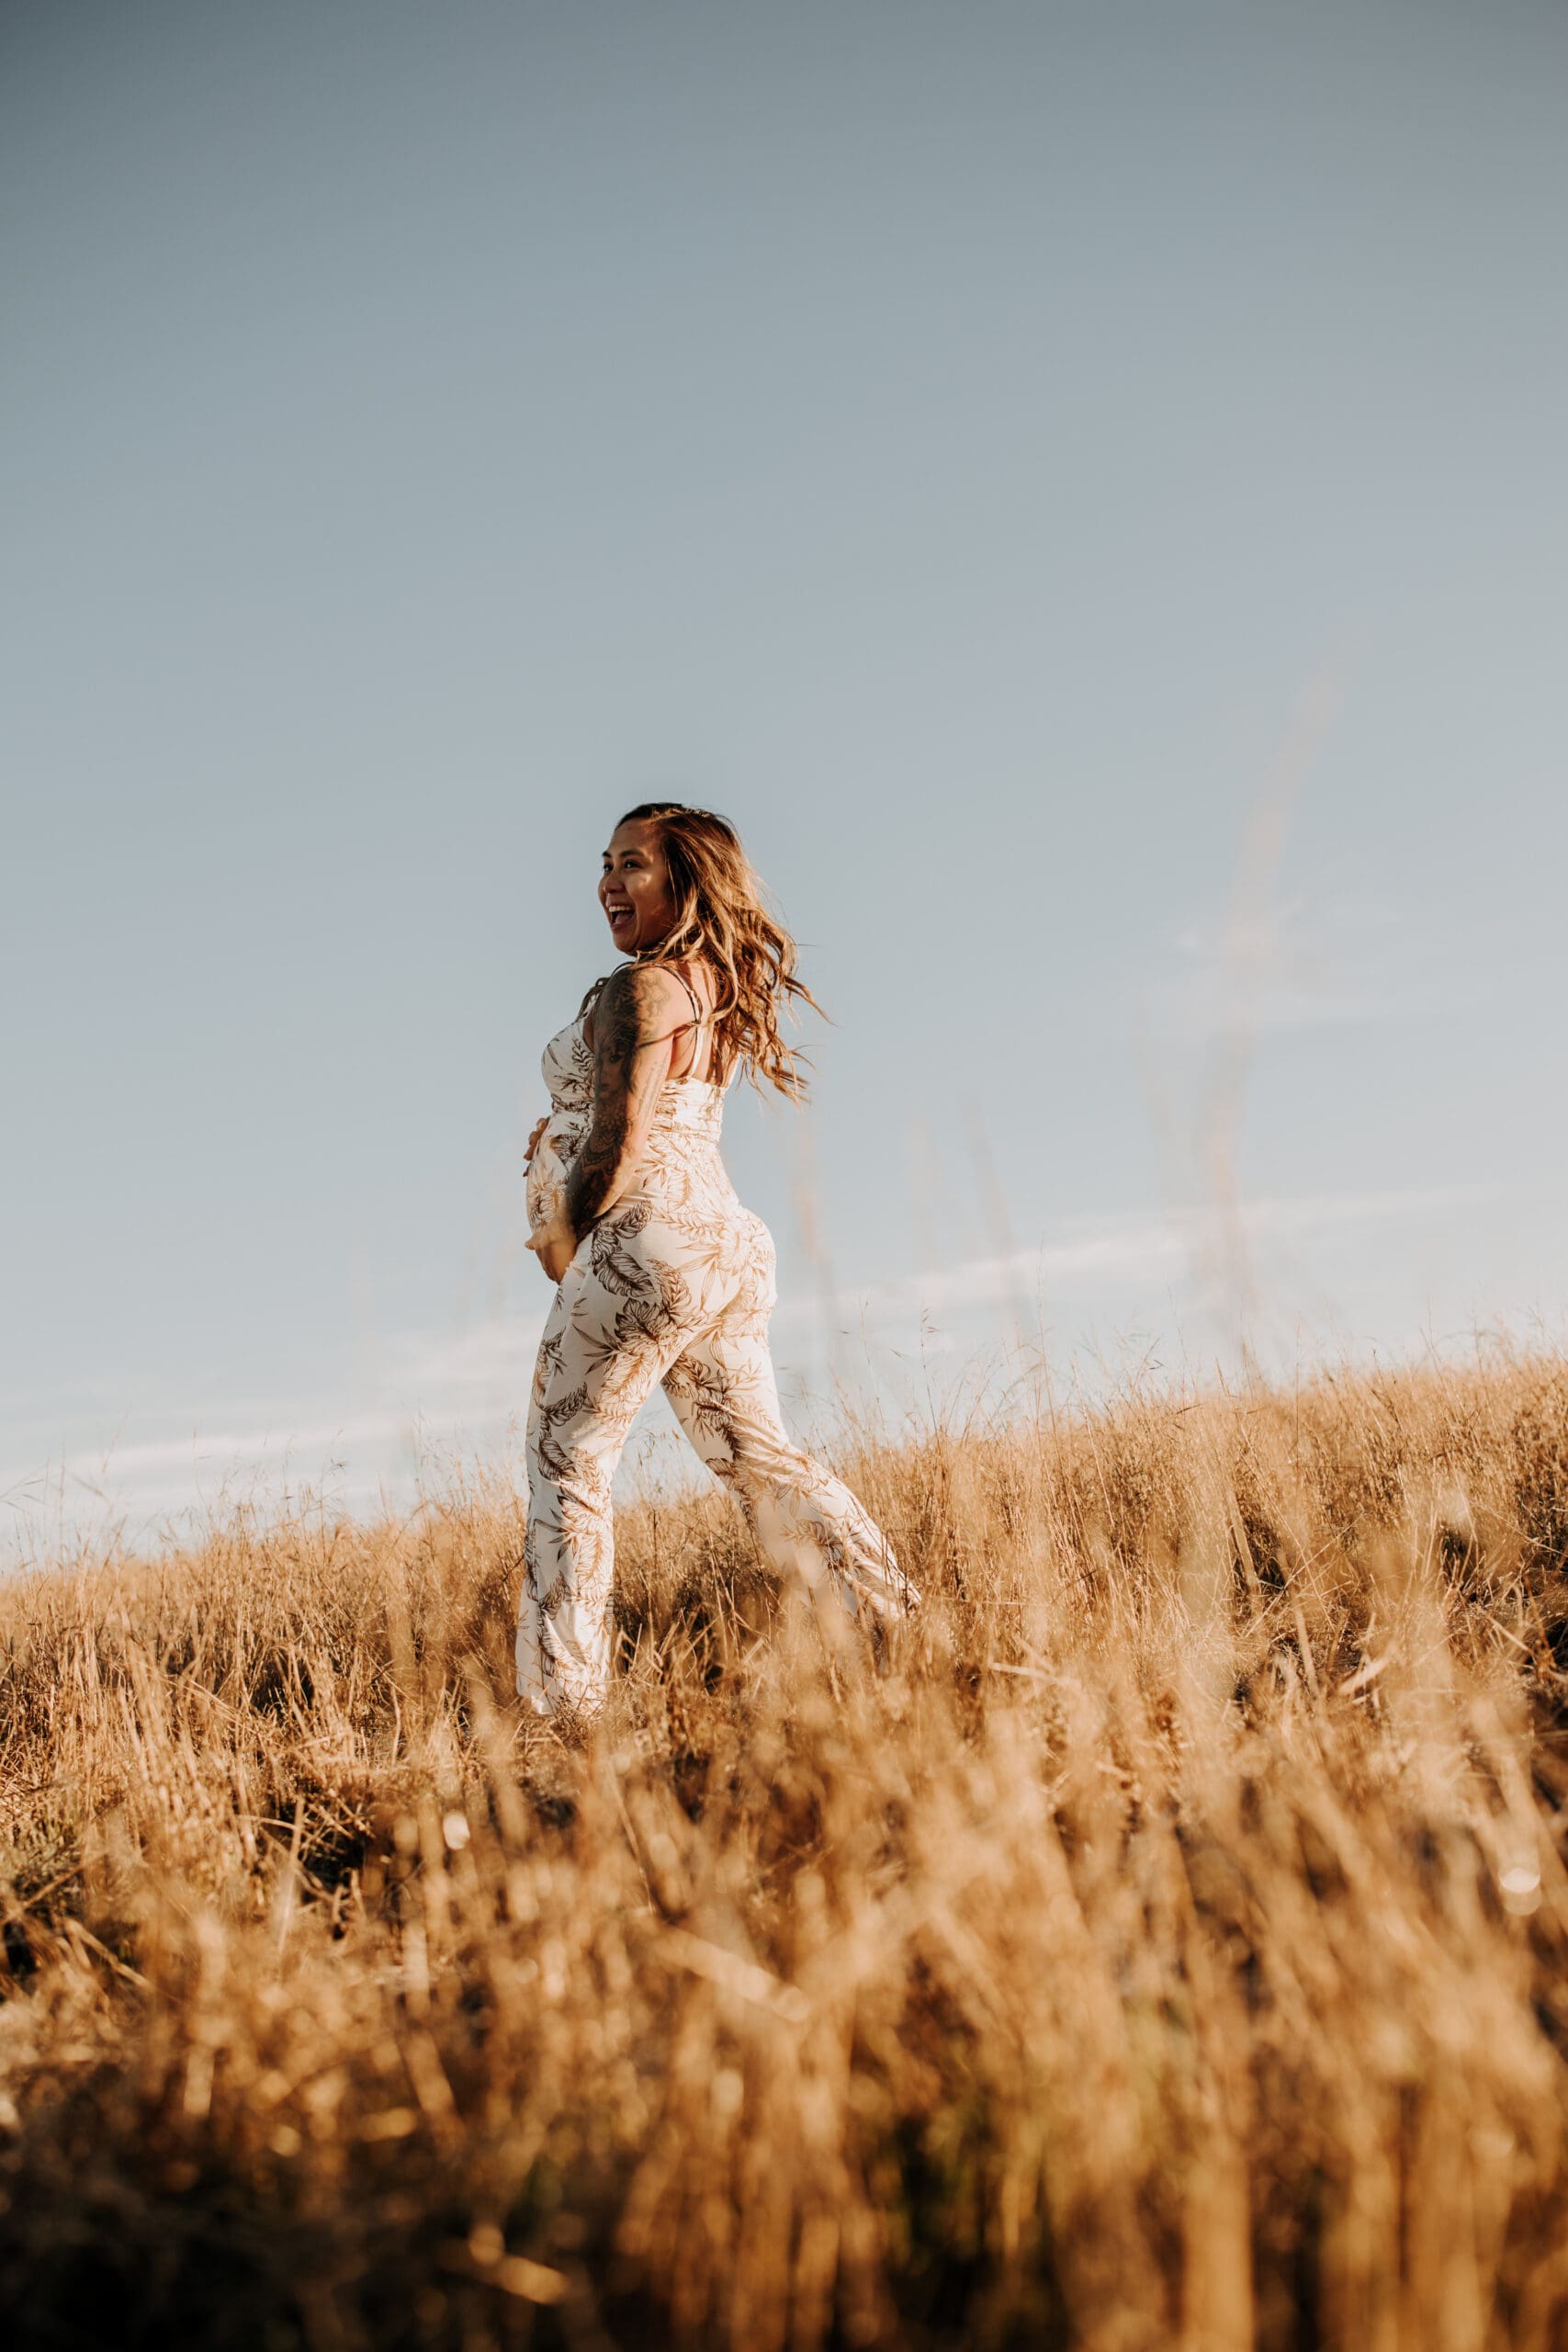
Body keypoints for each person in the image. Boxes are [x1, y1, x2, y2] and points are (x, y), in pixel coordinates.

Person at [516, 802, 919, 1721]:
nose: (610, 884)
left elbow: (621, 1145)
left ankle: (562, 1709)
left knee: (566, 1462)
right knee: (761, 1460)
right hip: (723, 1242)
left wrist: (558, 1231)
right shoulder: (714, 991)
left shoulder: (641, 990)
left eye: (635, 866)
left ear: (685, 882)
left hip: (643, 1240)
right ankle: (893, 1622)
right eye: (606, 865)